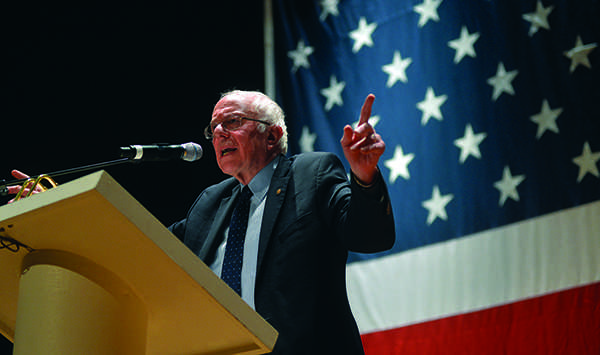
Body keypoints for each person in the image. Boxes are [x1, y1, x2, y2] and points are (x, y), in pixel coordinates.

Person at [7, 90, 395, 354]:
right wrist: (59, 203)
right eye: (214, 128)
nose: (219, 133)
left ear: (273, 135)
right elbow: (139, 246)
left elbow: (371, 235)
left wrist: (363, 177)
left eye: (233, 122)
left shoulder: (311, 173)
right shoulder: (210, 203)